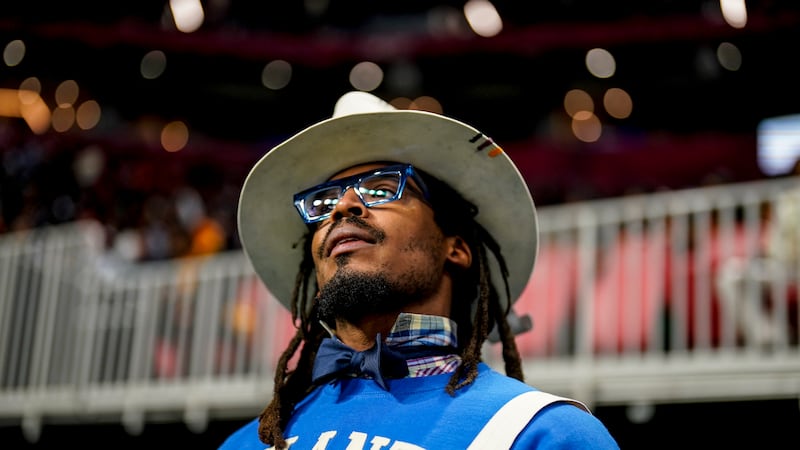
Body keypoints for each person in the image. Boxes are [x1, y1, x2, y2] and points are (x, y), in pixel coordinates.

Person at [219, 91, 620, 449]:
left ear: (456, 249)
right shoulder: (248, 443)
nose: (342, 207)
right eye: (323, 203)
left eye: (380, 188)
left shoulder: (547, 435)